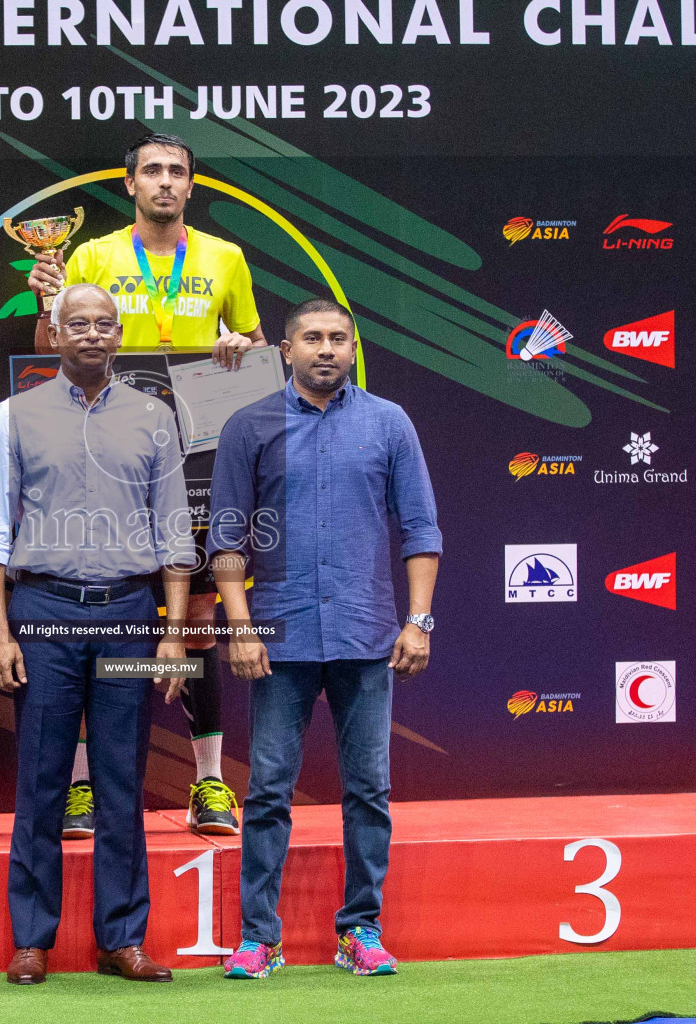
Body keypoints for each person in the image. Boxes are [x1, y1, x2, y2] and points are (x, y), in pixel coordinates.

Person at [26, 133, 262, 838]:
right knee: (84, 626)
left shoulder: (225, 258)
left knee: (195, 626)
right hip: (104, 452)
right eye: (152, 172)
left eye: (177, 173)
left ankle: (210, 785)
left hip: (194, 458)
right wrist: (47, 310)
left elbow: (252, 347)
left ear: (192, 186)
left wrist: (240, 349)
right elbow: (49, 348)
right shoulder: (92, 255)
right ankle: (79, 790)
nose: (165, 182)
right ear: (129, 184)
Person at [207, 298, 441, 980]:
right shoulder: (249, 425)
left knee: (369, 789)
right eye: (312, 338)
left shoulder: (388, 423)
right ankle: (260, 938)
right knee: (270, 791)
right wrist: (240, 630)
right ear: (285, 349)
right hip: (278, 641)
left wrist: (418, 620)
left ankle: (359, 930)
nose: (326, 349)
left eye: (338, 337)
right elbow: (225, 539)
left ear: (354, 345)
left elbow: (421, 528)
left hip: (367, 638)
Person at [0, 283, 194, 985]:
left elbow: (174, 534)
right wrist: (0, 634)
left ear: (119, 333)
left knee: (123, 781)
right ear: (56, 333)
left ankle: (122, 939)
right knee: (41, 781)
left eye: (104, 324)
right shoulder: (16, 413)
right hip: (42, 614)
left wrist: (173, 635)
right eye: (79, 324)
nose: (93, 335)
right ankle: (32, 939)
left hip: (131, 617)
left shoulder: (155, 416)